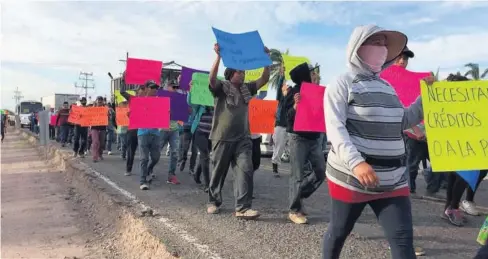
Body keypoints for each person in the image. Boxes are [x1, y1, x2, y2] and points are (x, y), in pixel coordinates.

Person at [322, 24, 434, 259]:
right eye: (376, 42)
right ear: (357, 47)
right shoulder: (342, 83)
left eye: (384, 44)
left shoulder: (387, 87)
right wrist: (356, 163)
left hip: (394, 179)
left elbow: (403, 120)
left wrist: (427, 97)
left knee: (403, 241)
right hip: (352, 178)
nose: (382, 48)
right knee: (339, 231)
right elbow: (335, 128)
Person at [206, 43, 270, 219]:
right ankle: (213, 201)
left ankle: (242, 208)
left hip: (243, 138)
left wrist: (266, 60)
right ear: (230, 74)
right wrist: (218, 56)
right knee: (218, 171)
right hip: (222, 137)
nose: (243, 74)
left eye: (243, 72)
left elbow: (264, 80)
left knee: (245, 169)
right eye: (239, 72)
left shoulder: (247, 89)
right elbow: (211, 79)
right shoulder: (221, 88)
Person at [284, 62, 326, 224]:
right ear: (305, 76)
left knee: (321, 171)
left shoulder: (319, 92)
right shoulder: (294, 92)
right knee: (297, 175)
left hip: (314, 138)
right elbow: (287, 116)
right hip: (298, 138)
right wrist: (295, 105)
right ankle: (294, 210)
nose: (315, 76)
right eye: (312, 73)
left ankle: (299, 193)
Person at [188, 80, 214, 192]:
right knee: (205, 156)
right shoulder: (200, 102)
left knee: (205, 156)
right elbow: (190, 102)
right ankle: (207, 184)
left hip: (212, 134)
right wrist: (191, 90)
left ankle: (196, 175)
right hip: (200, 131)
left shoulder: (216, 101)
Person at [137, 80, 161, 190]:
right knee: (144, 158)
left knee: (156, 157)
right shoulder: (139, 101)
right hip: (143, 133)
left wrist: (167, 113)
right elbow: (134, 116)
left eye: (156, 87)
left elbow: (163, 116)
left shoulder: (160, 102)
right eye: (152, 87)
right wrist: (130, 115)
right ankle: (143, 181)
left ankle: (149, 169)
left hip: (155, 133)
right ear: (146, 89)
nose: (155, 89)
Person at [160, 82, 182, 185]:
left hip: (174, 130)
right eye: (173, 87)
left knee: (175, 153)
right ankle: (149, 170)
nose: (175, 89)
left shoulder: (179, 100)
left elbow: (188, 112)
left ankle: (171, 175)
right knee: (156, 153)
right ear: (166, 88)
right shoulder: (160, 98)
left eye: (176, 88)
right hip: (162, 130)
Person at [178, 75, 198, 175]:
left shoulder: (201, 101)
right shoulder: (188, 97)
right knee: (185, 147)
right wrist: (190, 89)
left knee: (195, 149)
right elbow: (188, 101)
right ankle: (183, 160)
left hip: (197, 127)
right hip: (187, 125)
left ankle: (191, 167)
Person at [271, 74, 287, 178]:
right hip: (280, 126)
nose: (286, 89)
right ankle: (275, 167)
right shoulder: (280, 100)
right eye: (284, 87)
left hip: (290, 127)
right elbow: (278, 90)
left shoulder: (292, 100)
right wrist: (281, 77)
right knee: (279, 148)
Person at [90, 97, 107, 162]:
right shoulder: (92, 109)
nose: (99, 102)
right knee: (95, 142)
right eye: (98, 101)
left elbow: (110, 116)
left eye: (101, 101)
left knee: (102, 143)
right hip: (94, 127)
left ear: (102, 102)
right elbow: (87, 116)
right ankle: (95, 157)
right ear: (96, 102)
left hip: (103, 127)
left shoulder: (106, 109)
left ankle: (100, 154)